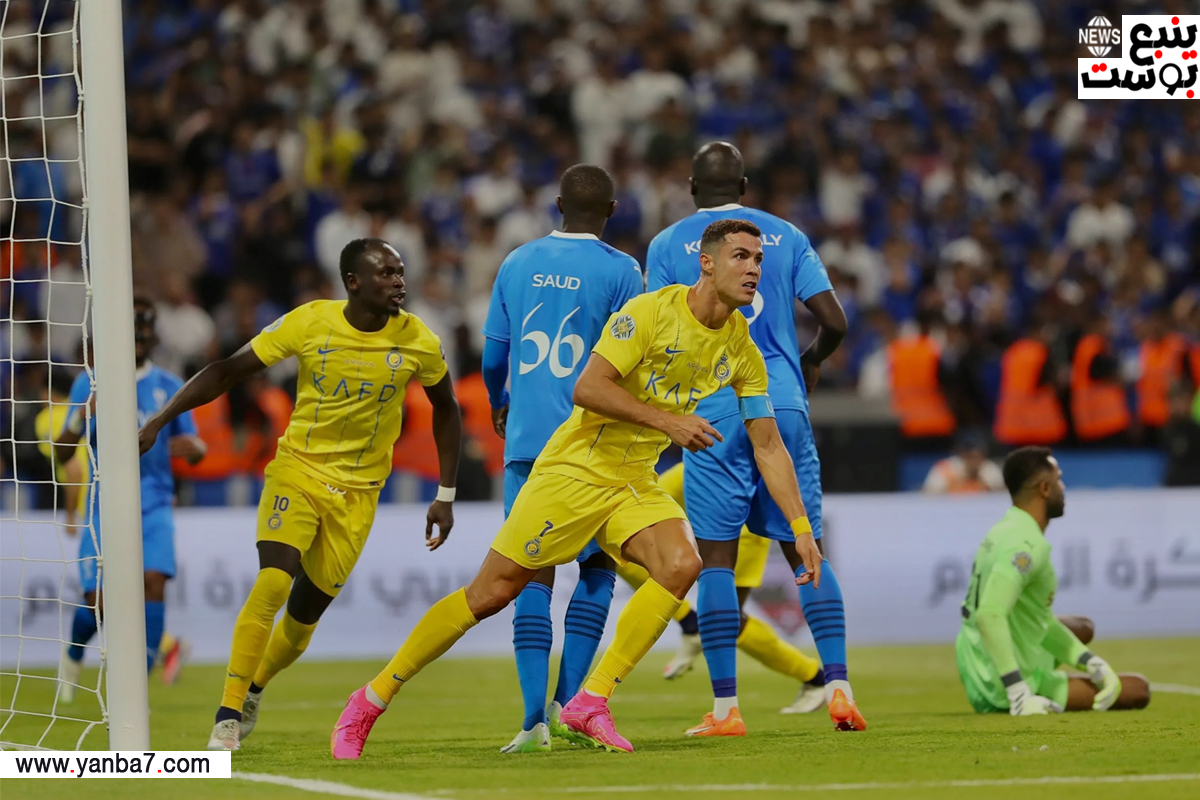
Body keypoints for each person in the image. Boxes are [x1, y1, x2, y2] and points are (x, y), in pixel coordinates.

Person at [331, 218, 823, 759]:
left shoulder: (742, 349)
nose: (753, 268)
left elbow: (769, 446)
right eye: (740, 257)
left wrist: (801, 528)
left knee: (682, 564)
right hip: (575, 470)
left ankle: (591, 701)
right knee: (490, 595)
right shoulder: (650, 312)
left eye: (758, 259)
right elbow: (587, 388)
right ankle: (369, 699)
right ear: (706, 263)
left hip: (632, 481)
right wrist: (668, 421)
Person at [137, 239, 462, 752]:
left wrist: (446, 492)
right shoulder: (310, 322)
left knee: (302, 620)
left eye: (400, 272)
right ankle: (226, 713)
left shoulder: (419, 339)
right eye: (385, 273)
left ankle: (255, 687)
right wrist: (159, 420)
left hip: (359, 495)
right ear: (352, 282)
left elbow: (447, 408)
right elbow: (226, 370)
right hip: (299, 473)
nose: (399, 282)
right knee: (271, 583)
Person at [646, 142, 862, 736]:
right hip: (781, 402)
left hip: (712, 411)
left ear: (692, 186)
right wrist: (810, 360)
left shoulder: (667, 245)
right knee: (805, 545)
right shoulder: (784, 235)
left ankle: (725, 710)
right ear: (743, 184)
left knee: (716, 563)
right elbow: (836, 320)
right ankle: (839, 686)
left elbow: (659, 324)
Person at [480, 164, 644, 753]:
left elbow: (494, 356)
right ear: (612, 208)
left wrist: (502, 401)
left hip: (526, 442)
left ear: (556, 205)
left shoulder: (517, 262)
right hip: (592, 447)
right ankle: (572, 706)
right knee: (597, 572)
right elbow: (633, 359)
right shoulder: (623, 271)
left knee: (529, 577)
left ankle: (532, 724)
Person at [54, 300, 207, 702]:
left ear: (153, 336)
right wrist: (78, 419)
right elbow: (60, 453)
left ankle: (134, 695)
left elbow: (196, 445)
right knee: (98, 600)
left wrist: (194, 447)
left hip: (155, 502)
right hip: (104, 504)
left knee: (153, 583)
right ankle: (73, 654)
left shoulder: (171, 386)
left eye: (144, 330)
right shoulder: (89, 382)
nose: (139, 338)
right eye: (132, 330)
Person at [956, 447, 1151, 715]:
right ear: (1045, 488)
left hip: (976, 662)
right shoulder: (1025, 546)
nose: (1063, 487)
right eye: (1059, 480)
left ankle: (1030, 677)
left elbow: (1039, 620)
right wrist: (1017, 692)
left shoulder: (1004, 530)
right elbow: (989, 615)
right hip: (998, 685)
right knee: (1138, 690)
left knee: (1082, 627)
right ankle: (1023, 692)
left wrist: (1091, 663)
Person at [648, 462, 827, 714]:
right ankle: (815, 678)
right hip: (732, 533)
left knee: (727, 620)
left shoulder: (678, 474)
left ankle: (814, 678)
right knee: (729, 620)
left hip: (738, 535)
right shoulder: (685, 471)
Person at [922, 430, 1005, 494]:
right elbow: (928, 495)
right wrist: (953, 485)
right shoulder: (945, 469)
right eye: (969, 456)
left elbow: (1001, 496)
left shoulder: (989, 469)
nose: (973, 461)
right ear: (961, 455)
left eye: (977, 457)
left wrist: (984, 485)